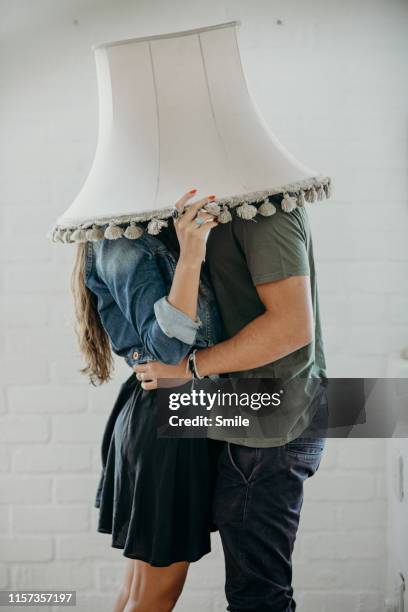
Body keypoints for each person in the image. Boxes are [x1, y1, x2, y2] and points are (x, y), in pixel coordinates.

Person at [134, 192, 328, 611]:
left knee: (257, 598)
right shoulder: (222, 204)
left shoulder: (265, 206)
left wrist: (191, 367)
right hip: (246, 416)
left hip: (269, 427)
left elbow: (292, 327)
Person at [71, 189, 224, 612]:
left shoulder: (131, 233)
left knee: (138, 592)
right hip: (168, 420)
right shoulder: (121, 240)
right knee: (156, 596)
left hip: (159, 414)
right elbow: (166, 354)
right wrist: (192, 254)